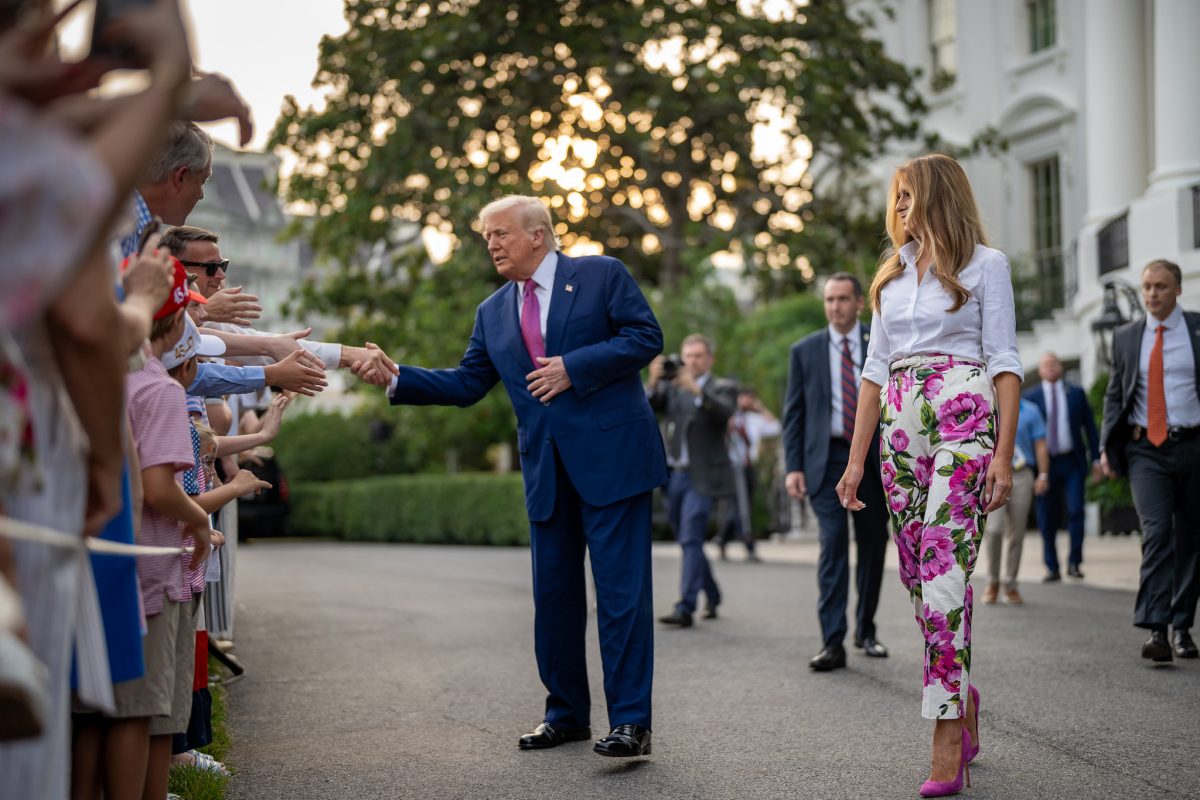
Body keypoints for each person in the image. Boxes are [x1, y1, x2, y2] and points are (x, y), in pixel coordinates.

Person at [356, 195, 665, 758]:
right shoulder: (493, 310)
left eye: (500, 234)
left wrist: (575, 367)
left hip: (613, 462)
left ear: (539, 236)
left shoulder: (600, 275)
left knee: (621, 598)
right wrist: (398, 377)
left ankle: (630, 722)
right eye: (487, 237)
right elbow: (467, 384)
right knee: (554, 597)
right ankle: (566, 714)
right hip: (546, 472)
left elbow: (646, 338)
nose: (492, 244)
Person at [836, 154, 1022, 797]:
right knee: (919, 581)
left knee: (945, 575)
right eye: (898, 197)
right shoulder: (889, 275)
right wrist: (857, 460)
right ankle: (961, 692)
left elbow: (1003, 359)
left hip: (963, 416)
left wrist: (1003, 455)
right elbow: (873, 371)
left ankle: (946, 739)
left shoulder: (986, 265)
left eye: (911, 195)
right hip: (899, 430)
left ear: (941, 196)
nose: (902, 208)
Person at [783, 272, 890, 672]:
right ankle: (832, 641)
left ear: (859, 303)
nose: (836, 307)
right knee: (832, 545)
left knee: (873, 543)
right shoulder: (805, 351)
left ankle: (866, 629)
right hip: (825, 460)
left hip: (873, 458)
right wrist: (793, 466)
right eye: (830, 299)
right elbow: (793, 414)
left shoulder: (878, 342)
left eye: (843, 299)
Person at [1100, 259, 1200, 662]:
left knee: (1191, 537)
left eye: (1161, 286)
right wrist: (1107, 445)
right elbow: (1114, 393)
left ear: (1177, 290)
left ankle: (1182, 627)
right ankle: (1157, 628)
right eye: (1146, 287)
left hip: (1192, 445)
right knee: (1157, 532)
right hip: (1145, 449)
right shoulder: (1125, 337)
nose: (1152, 294)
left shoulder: (1195, 329)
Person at [646, 335, 738, 627]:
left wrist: (696, 390)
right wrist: (653, 380)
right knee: (690, 541)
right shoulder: (672, 389)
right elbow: (648, 408)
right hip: (674, 476)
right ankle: (711, 592)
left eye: (698, 356)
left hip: (703, 476)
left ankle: (685, 606)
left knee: (690, 538)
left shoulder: (722, 386)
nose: (692, 361)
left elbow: (724, 414)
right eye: (687, 356)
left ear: (709, 358)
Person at [1023, 352, 1101, 581]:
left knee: (1076, 510)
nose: (1050, 367)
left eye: (1054, 363)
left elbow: (1090, 428)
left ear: (1060, 367)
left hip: (1072, 462)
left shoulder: (1076, 393)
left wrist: (1096, 459)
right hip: (1043, 465)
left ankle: (1075, 562)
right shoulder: (1031, 397)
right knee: (1047, 515)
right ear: (1040, 370)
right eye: (1045, 364)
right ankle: (1052, 566)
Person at [982, 398, 1050, 605]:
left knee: (1017, 532)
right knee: (994, 530)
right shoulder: (987, 405)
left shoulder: (1031, 410)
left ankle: (1010, 584)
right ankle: (992, 581)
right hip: (993, 474)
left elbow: (1040, 444)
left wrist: (1043, 475)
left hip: (1021, 474)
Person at [717, 389, 780, 562]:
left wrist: (760, 408)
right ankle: (748, 545)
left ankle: (722, 538)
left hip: (748, 468)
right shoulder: (729, 417)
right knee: (739, 507)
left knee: (742, 507)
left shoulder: (755, 419)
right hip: (732, 468)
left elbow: (776, 427)